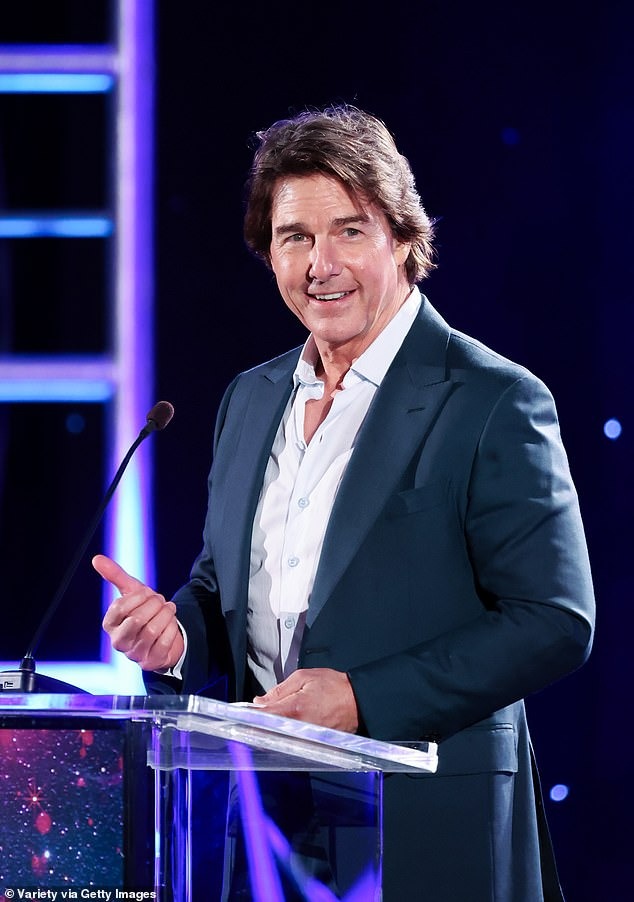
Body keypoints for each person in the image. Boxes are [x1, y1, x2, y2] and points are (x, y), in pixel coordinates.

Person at [93, 105, 595, 901]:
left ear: (401, 237)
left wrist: (364, 698)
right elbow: (228, 588)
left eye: (349, 231)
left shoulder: (492, 398)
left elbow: (555, 619)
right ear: (269, 254)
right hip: (262, 828)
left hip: (427, 820)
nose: (320, 264)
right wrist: (178, 639)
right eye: (295, 237)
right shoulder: (250, 398)